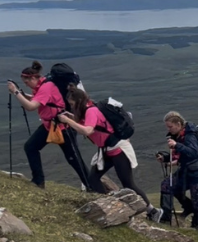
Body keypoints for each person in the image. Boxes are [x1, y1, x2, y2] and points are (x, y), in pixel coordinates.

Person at [57, 87, 160, 221]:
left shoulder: (91, 111)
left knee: (128, 183)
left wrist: (68, 121)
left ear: (79, 101)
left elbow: (87, 130)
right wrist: (72, 118)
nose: (71, 106)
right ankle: (104, 206)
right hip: (107, 149)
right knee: (93, 178)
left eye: (72, 103)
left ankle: (152, 211)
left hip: (118, 149)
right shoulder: (88, 110)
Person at [6, 61, 89, 189]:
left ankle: (92, 186)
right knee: (30, 147)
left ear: (33, 77)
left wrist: (16, 93)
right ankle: (38, 181)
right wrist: (22, 94)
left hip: (62, 127)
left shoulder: (46, 86)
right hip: (50, 125)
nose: (27, 85)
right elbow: (37, 99)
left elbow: (31, 106)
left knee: (74, 159)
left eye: (27, 82)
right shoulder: (42, 85)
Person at [158, 112, 198, 230]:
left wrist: (176, 145)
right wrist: (165, 158)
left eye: (170, 126)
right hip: (186, 170)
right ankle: (166, 218)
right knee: (166, 185)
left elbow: (192, 152)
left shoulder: (190, 135)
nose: (168, 129)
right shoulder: (180, 135)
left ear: (178, 124)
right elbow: (183, 155)